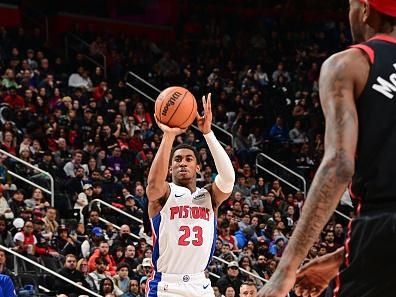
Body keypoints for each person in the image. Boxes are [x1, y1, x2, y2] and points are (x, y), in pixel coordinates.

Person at [258, 1, 396, 297]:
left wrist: (286, 270)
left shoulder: (351, 64)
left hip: (380, 228)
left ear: (365, 10)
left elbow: (339, 165)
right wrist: (340, 257)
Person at [146, 94, 235, 297]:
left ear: (197, 167)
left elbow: (228, 179)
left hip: (199, 283)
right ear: (170, 168)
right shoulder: (165, 193)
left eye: (188, 159)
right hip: (166, 285)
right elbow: (152, 187)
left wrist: (208, 133)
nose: (182, 163)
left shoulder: (209, 196)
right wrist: (168, 136)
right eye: (177, 160)